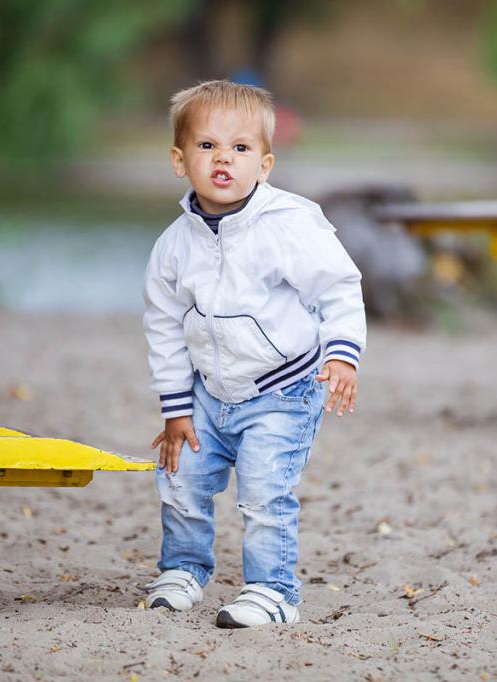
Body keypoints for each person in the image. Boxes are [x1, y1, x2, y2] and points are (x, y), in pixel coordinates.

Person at [141, 80, 366, 628]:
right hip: (207, 391)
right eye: (207, 146)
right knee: (180, 477)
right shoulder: (174, 246)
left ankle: (272, 590)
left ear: (264, 163)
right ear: (179, 159)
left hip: (282, 390)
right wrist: (174, 408)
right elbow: (165, 327)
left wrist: (342, 354)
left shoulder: (289, 225)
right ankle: (184, 568)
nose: (224, 158)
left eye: (240, 148)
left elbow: (338, 287)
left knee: (265, 492)